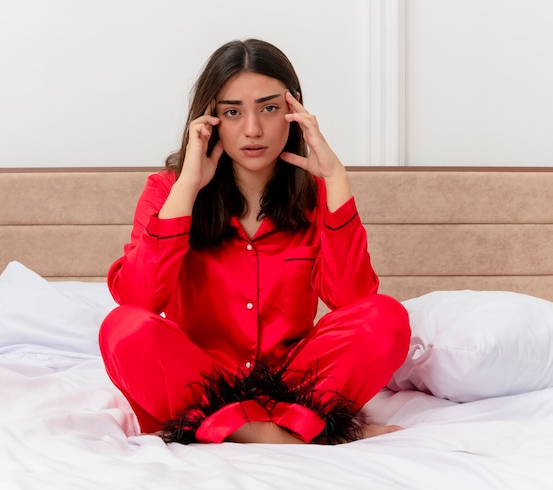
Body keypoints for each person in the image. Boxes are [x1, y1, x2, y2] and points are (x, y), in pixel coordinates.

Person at [99, 38, 410, 445]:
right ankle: (277, 435)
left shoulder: (316, 196)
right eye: (232, 112)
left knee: (385, 317)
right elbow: (139, 298)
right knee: (122, 328)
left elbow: (352, 300)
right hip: (199, 388)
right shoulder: (168, 191)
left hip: (293, 389)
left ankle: (245, 431)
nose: (252, 129)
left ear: (293, 111)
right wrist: (188, 187)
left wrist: (336, 181)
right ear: (210, 120)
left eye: (268, 108)